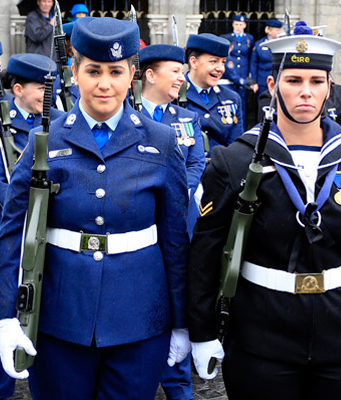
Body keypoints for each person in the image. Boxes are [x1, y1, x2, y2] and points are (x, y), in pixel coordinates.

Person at [188, 21, 341, 399]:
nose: (306, 92)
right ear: (273, 86)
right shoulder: (235, 161)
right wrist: (202, 332)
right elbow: (206, 254)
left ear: (329, 88)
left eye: (316, 81)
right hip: (262, 334)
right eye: (293, 80)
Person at [0, 16, 190, 399]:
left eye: (116, 72)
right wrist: (5, 317)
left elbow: (176, 239)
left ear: (132, 74)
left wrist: (182, 322)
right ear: (74, 72)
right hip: (59, 319)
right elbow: (11, 234)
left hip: (140, 320)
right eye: (93, 70)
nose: (104, 83)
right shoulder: (43, 142)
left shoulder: (161, 142)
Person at [0, 52, 63, 400]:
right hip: (10, 230)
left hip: (50, 231)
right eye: (41, 88)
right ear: (17, 89)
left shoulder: (61, 120)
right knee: (7, 306)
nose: (49, 93)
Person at [139, 43, 204, 400]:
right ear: (150, 75)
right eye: (175, 71)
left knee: (179, 290)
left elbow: (196, 162)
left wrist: (175, 193)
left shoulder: (187, 118)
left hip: (180, 221)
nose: (183, 77)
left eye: (182, 71)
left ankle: (179, 385)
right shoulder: (127, 115)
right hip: (143, 224)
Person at [184, 33, 244, 150]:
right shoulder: (173, 94)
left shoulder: (231, 98)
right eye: (213, 61)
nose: (220, 68)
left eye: (223, 62)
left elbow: (236, 148)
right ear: (194, 62)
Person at [221, 14, 255, 121]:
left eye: (240, 24)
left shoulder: (249, 38)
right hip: (231, 73)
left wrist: (249, 75)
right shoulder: (227, 38)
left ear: (244, 25)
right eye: (236, 24)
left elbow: (250, 57)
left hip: (243, 73)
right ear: (232, 25)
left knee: (242, 103)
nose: (238, 27)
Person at [250, 19, 282, 97]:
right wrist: (253, 82)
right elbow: (254, 64)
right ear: (269, 31)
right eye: (277, 30)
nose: (279, 32)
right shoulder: (260, 44)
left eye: (279, 30)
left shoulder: (282, 44)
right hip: (263, 81)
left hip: (278, 80)